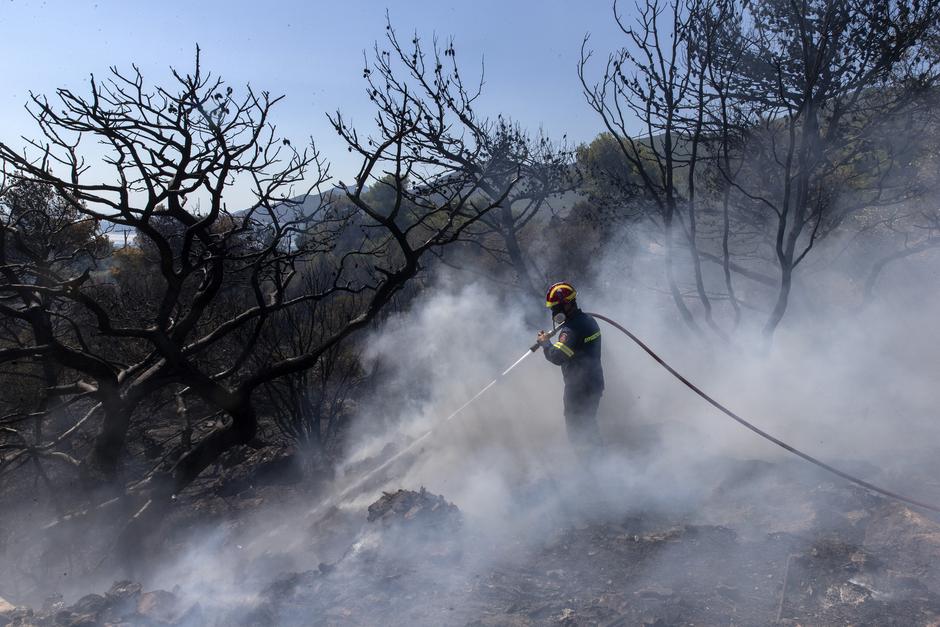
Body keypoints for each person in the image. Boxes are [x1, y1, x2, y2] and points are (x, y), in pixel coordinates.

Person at [536, 281, 605, 460]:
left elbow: (557, 356)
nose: (554, 313)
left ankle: (591, 467)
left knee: (578, 432)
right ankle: (601, 462)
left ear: (567, 304)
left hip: (578, 389)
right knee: (589, 425)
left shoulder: (570, 330)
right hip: (594, 383)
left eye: (556, 308)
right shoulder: (588, 321)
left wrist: (545, 343)